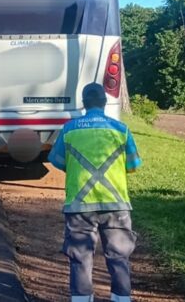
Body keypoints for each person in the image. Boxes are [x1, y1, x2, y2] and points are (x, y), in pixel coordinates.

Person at [48, 83, 142, 302]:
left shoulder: (70, 129)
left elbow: (57, 160)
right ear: (104, 103)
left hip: (79, 204)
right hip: (116, 204)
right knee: (119, 258)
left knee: (80, 258)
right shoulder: (121, 130)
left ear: (83, 103)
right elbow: (134, 165)